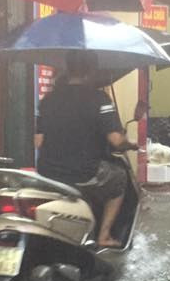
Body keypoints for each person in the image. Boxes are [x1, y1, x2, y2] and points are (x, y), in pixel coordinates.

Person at [35, 51, 138, 248]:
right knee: (119, 178)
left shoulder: (47, 101)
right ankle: (104, 235)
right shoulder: (99, 99)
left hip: (48, 173)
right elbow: (116, 140)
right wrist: (130, 144)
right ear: (90, 71)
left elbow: (39, 141)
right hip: (84, 173)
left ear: (68, 69)